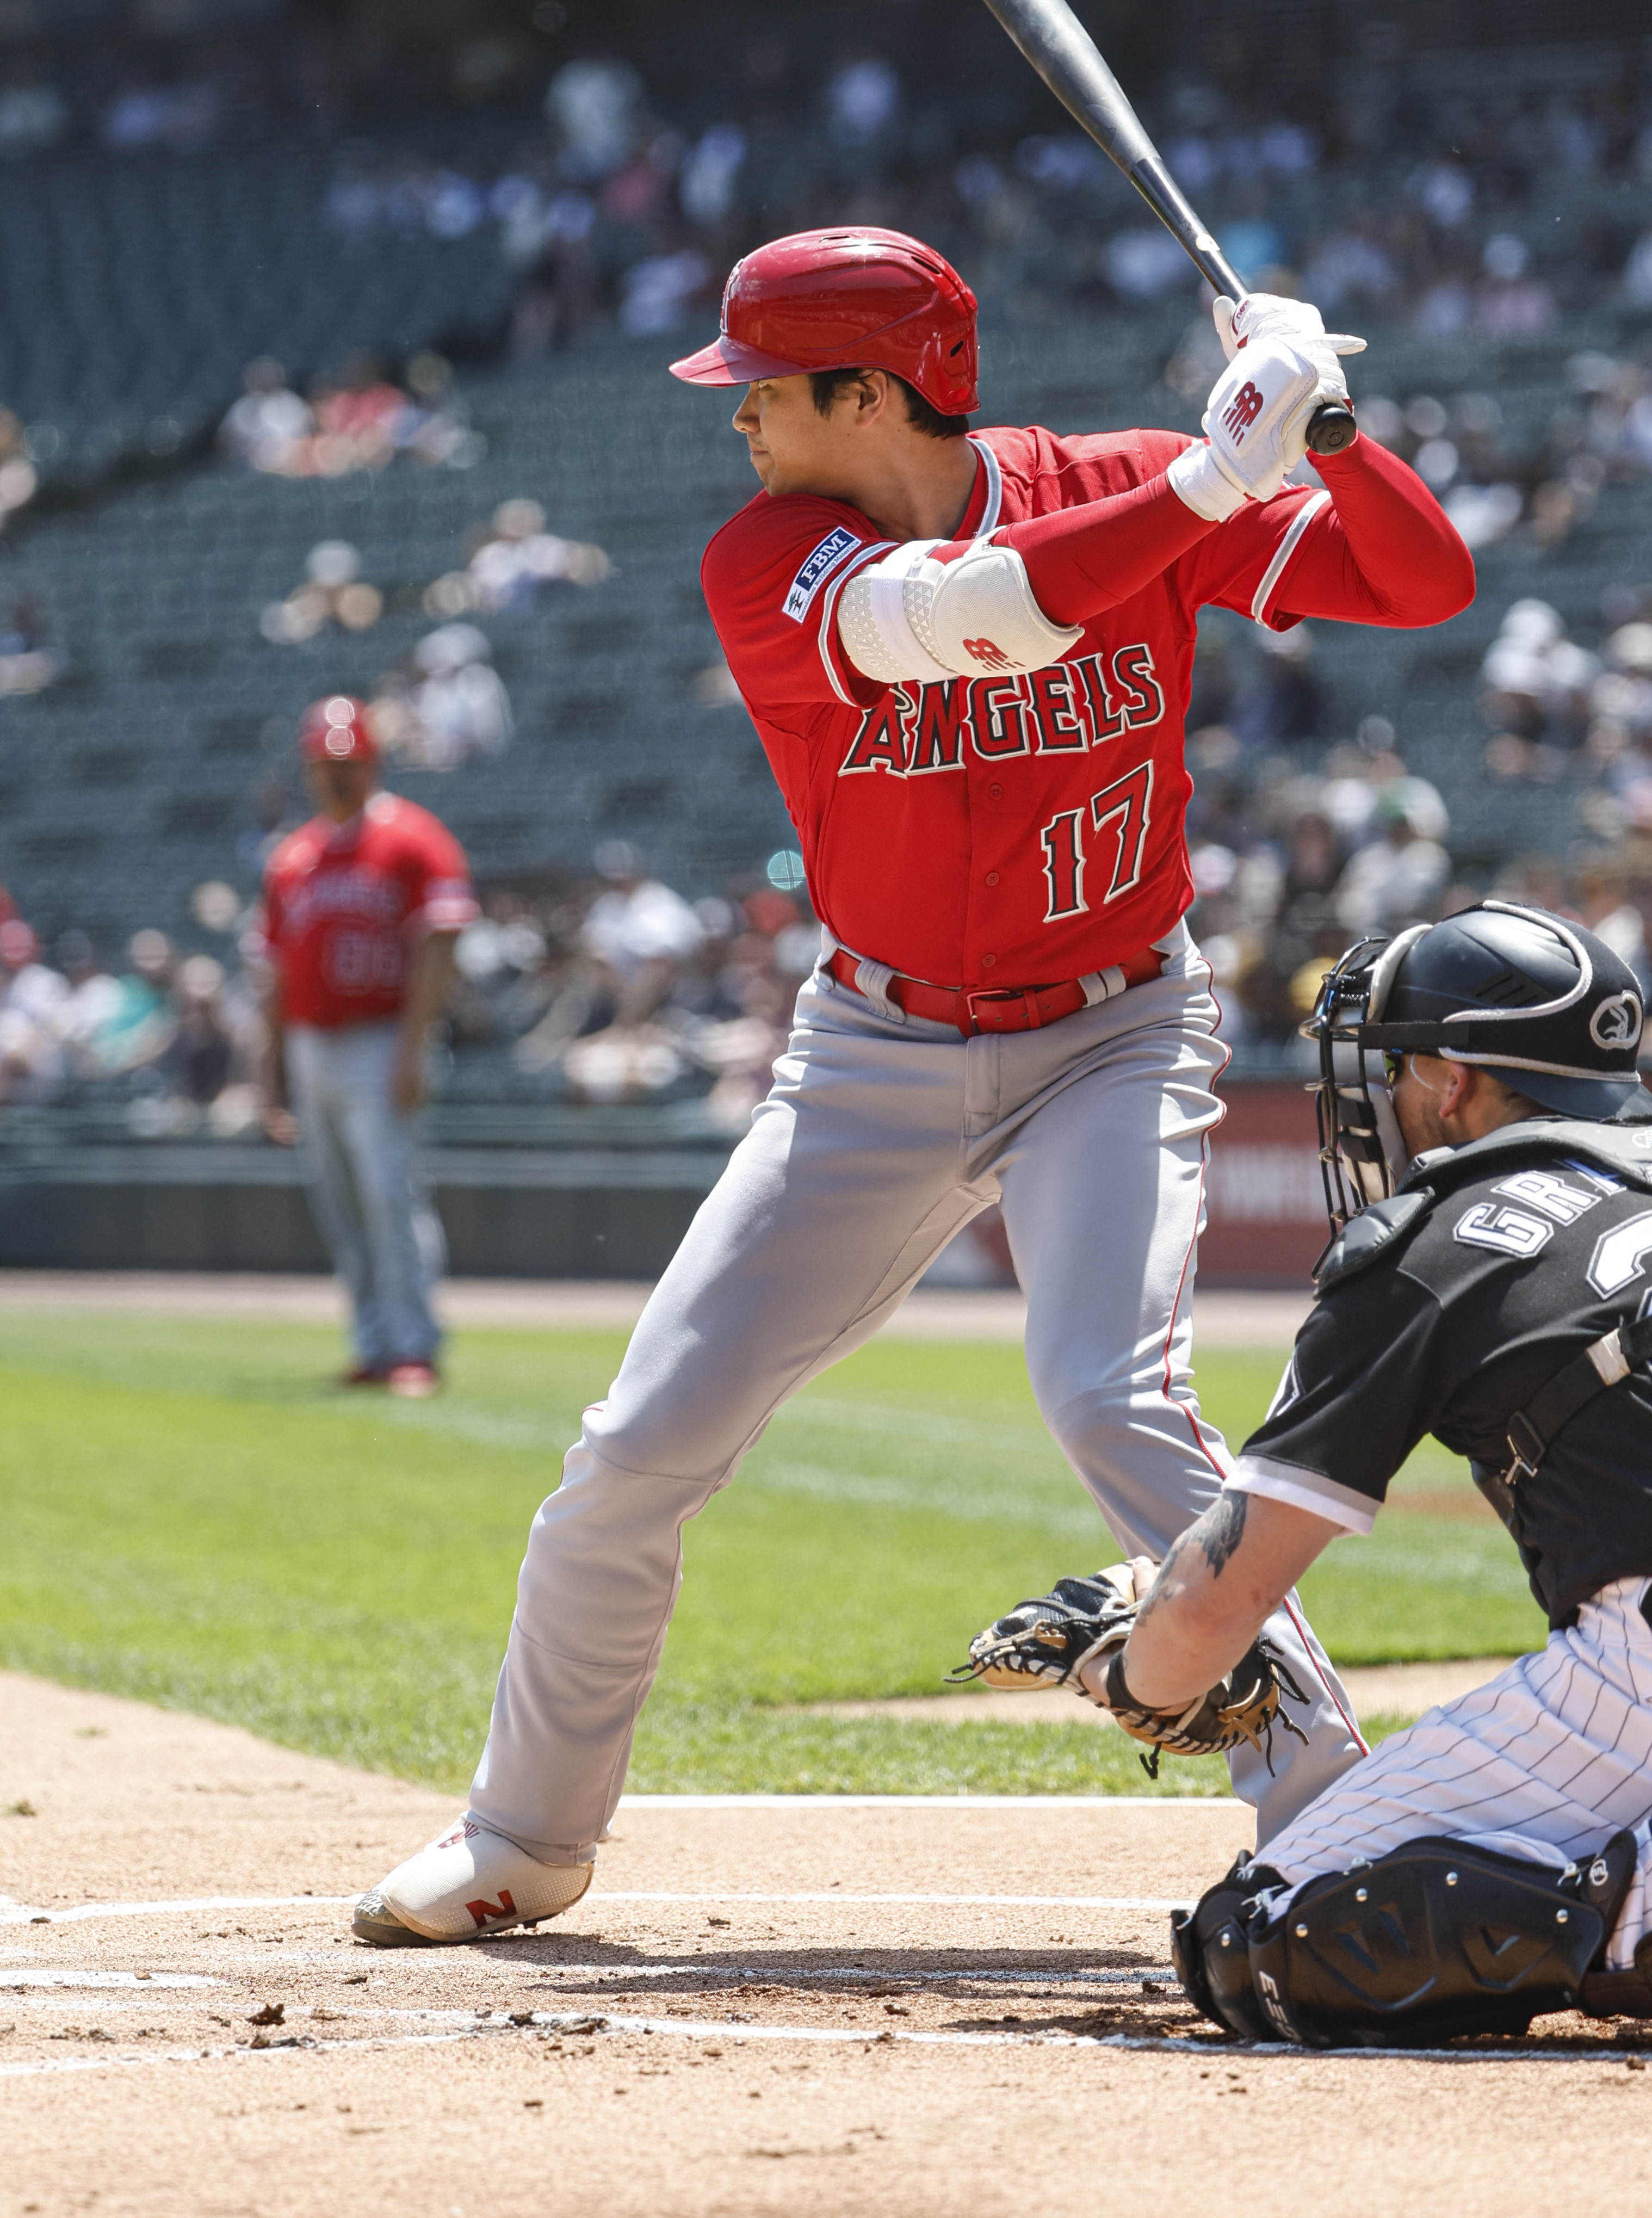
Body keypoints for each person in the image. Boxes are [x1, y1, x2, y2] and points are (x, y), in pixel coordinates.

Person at [352, 221, 1475, 1948]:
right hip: (873, 1046)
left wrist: (1327, 427)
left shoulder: (1104, 480)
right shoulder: (770, 557)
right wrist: (1207, 472)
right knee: (634, 1448)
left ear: (868, 393)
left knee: (1108, 1393)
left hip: (1113, 1026)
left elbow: (1419, 582)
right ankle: (526, 1834)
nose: (736, 422)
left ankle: (1335, 1813)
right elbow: (961, 621)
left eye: (764, 391)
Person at [1055, 903, 1652, 2053]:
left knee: (1260, 1945)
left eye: (1397, 1067)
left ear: (1454, 1082)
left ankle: (1650, 1905)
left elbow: (1214, 1603)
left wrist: (1142, 1680)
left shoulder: (1439, 1235)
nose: (1384, 1094)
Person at [258, 696, 479, 1395]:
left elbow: (439, 952)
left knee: (389, 1193)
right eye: (324, 765)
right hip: (310, 1043)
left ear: (372, 762)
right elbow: (273, 975)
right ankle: (373, 1339)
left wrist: (413, 1050)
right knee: (341, 1201)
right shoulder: (292, 856)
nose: (335, 777)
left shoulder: (413, 838)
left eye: (347, 763)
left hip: (382, 1036)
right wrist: (270, 1079)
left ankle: (413, 1344)